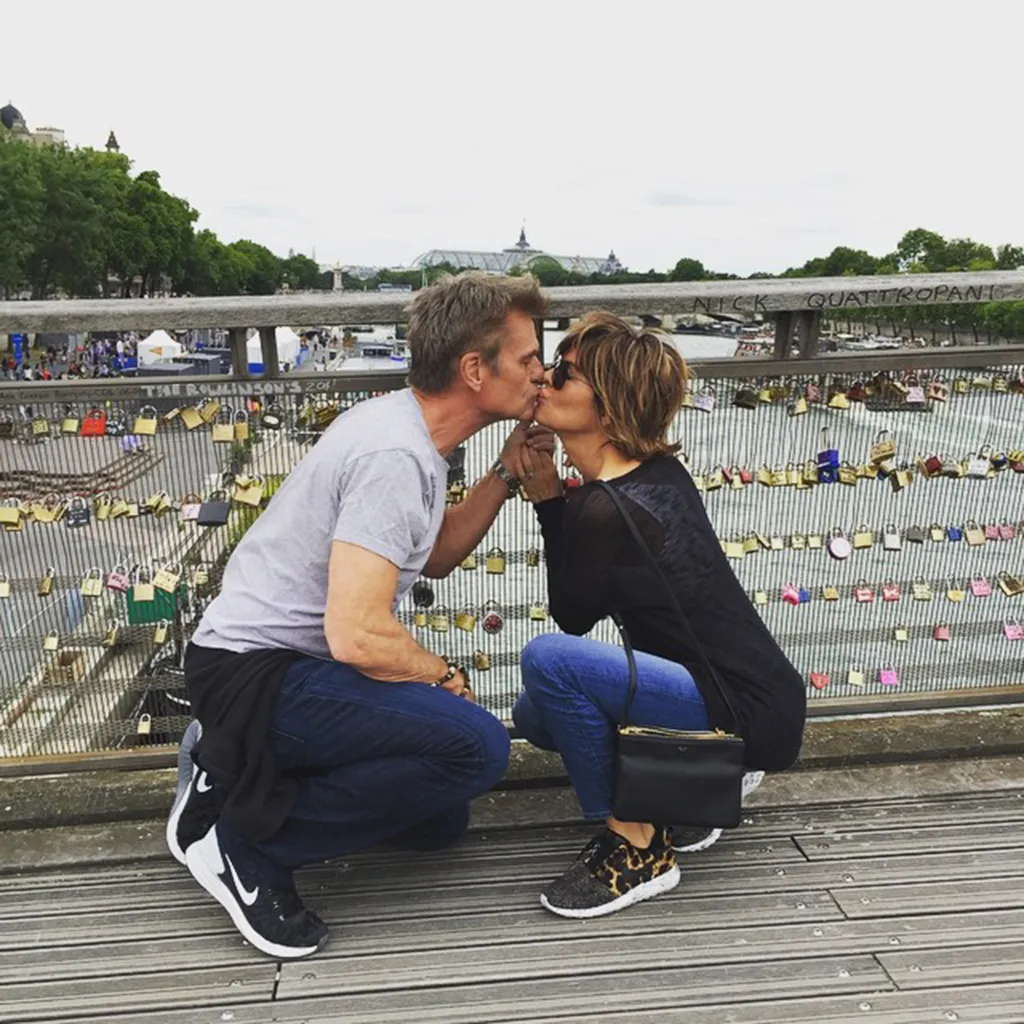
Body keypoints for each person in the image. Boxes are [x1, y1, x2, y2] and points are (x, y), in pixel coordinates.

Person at [167, 271, 551, 959]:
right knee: (476, 748)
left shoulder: (408, 432)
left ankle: (223, 766)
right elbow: (356, 633)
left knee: (440, 822)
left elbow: (430, 556)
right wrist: (441, 673)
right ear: (473, 370)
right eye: (527, 359)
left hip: (280, 668)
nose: (541, 373)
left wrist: (504, 476)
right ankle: (245, 846)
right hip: (256, 673)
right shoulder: (393, 457)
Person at [508, 311, 806, 919]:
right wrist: (556, 498)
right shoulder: (652, 472)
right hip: (757, 693)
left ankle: (636, 842)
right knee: (536, 715)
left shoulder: (606, 508)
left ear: (610, 408)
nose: (546, 377)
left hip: (739, 707)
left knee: (548, 663)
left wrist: (546, 502)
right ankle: (691, 796)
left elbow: (570, 618)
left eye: (564, 372)